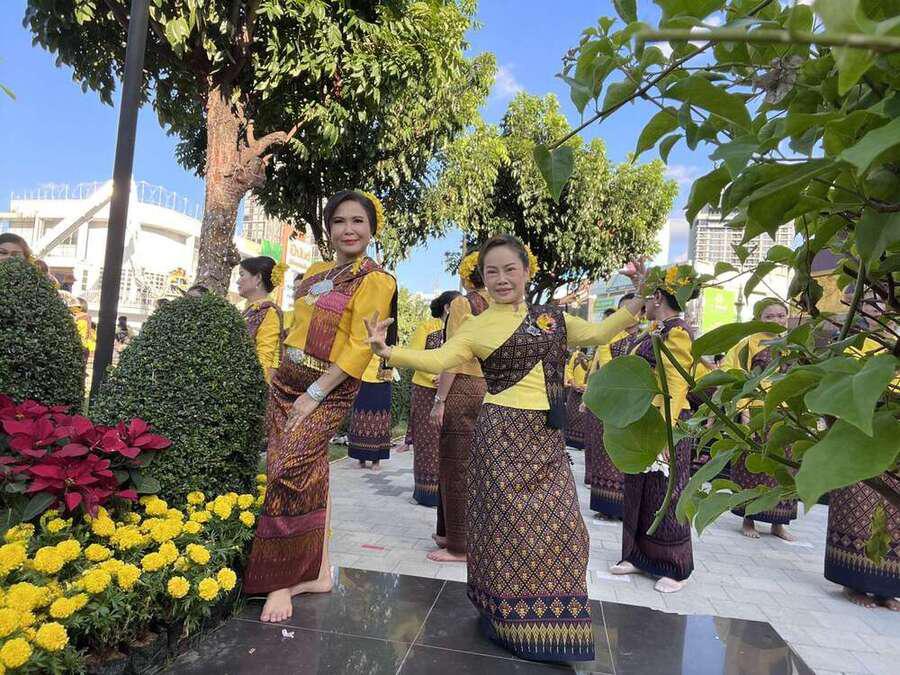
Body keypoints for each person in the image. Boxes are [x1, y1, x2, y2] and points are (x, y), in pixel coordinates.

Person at [366, 234, 646, 662]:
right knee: (503, 529)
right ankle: (506, 616)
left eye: (509, 269)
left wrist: (639, 297)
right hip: (499, 435)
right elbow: (440, 360)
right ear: (482, 277)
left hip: (545, 437)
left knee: (565, 528)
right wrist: (387, 351)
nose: (501, 278)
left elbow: (600, 332)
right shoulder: (476, 325)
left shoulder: (553, 319)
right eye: (491, 271)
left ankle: (554, 621)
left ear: (526, 272)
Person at [243, 190, 396, 624]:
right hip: (286, 382)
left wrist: (314, 394)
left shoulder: (377, 280)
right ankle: (318, 573)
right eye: (339, 221)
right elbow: (297, 327)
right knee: (309, 472)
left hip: (326, 387)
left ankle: (280, 580)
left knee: (285, 471)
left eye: (358, 221)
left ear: (371, 229)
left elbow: (360, 347)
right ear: (328, 229)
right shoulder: (314, 271)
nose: (348, 229)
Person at [610, 265, 699, 594]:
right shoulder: (656, 329)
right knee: (639, 490)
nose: (643, 304)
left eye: (649, 298)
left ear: (659, 298)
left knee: (668, 493)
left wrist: (665, 435)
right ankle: (638, 556)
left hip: (666, 425)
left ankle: (676, 567)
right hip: (643, 422)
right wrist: (640, 282)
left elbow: (675, 386)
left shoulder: (678, 332)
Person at [825, 290, 899, 611]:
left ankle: (886, 589)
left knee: (893, 517)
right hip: (858, 432)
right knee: (858, 507)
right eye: (872, 304)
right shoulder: (855, 344)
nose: (880, 310)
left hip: (894, 435)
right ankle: (854, 583)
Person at [426, 248, 492, 562]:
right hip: (488, 388)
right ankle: (446, 532)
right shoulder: (499, 305)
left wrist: (439, 400)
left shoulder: (463, 303)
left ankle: (459, 545)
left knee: (455, 465)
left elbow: (453, 357)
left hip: (463, 387)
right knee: (469, 464)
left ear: (466, 276)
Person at [721, 298, 797, 541]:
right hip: (756, 411)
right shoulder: (748, 343)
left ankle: (778, 523)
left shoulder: (791, 344)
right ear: (758, 319)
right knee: (753, 468)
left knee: (783, 469)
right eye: (769, 316)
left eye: (781, 315)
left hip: (785, 412)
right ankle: (749, 518)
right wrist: (744, 414)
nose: (776, 320)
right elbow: (740, 378)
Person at [582, 293, 640, 518]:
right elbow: (606, 369)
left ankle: (628, 508)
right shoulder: (609, 339)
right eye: (624, 310)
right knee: (605, 452)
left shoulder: (648, 338)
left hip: (636, 406)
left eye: (634, 309)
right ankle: (606, 507)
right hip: (610, 404)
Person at [405, 290, 460, 506]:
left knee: (448, 441)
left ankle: (446, 493)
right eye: (459, 304)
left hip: (452, 391)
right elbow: (415, 357)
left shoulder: (461, 331)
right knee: (426, 441)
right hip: (425, 391)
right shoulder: (427, 328)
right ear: (447, 307)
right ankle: (425, 493)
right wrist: (434, 376)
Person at [237, 256, 286, 384]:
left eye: (242, 275)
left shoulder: (269, 312)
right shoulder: (250, 310)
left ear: (258, 278)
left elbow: (263, 360)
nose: (237, 281)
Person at [347, 354, 394, 470]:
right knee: (360, 417)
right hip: (363, 377)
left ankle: (376, 460)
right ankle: (360, 459)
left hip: (382, 380)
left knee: (379, 418)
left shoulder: (389, 341)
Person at [564, 348, 590, 450]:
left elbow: (593, 371)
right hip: (574, 390)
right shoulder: (576, 355)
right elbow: (569, 370)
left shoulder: (595, 355)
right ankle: (568, 439)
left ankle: (581, 442)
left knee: (584, 416)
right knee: (571, 414)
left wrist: (587, 387)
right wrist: (573, 384)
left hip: (588, 391)